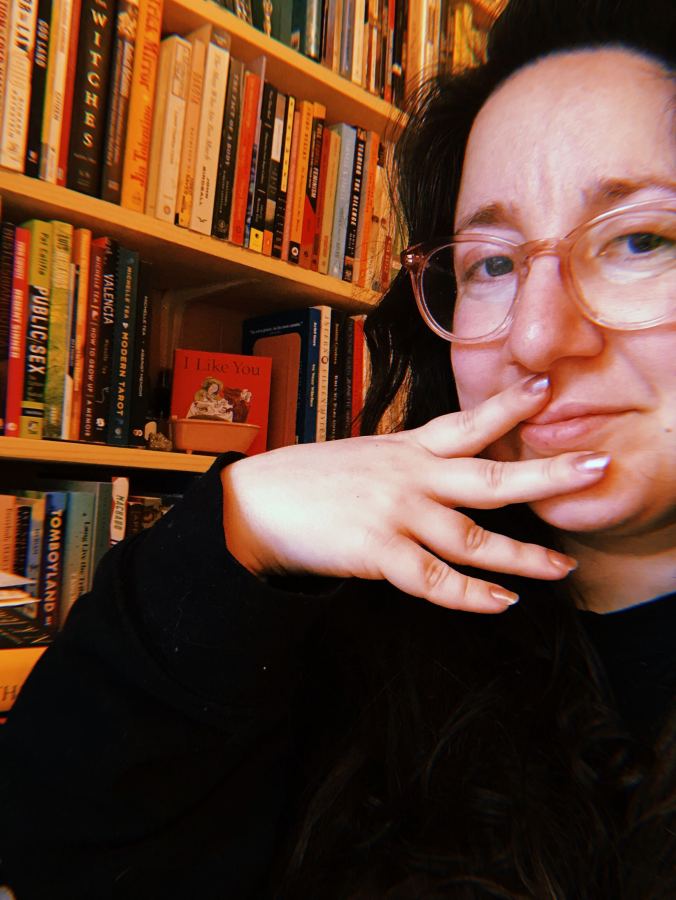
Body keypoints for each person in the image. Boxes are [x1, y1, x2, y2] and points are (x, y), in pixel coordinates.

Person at [1, 0, 674, 896]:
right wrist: (232, 531)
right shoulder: (352, 641)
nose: (537, 335)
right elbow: (50, 849)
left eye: (640, 239)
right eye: (492, 265)